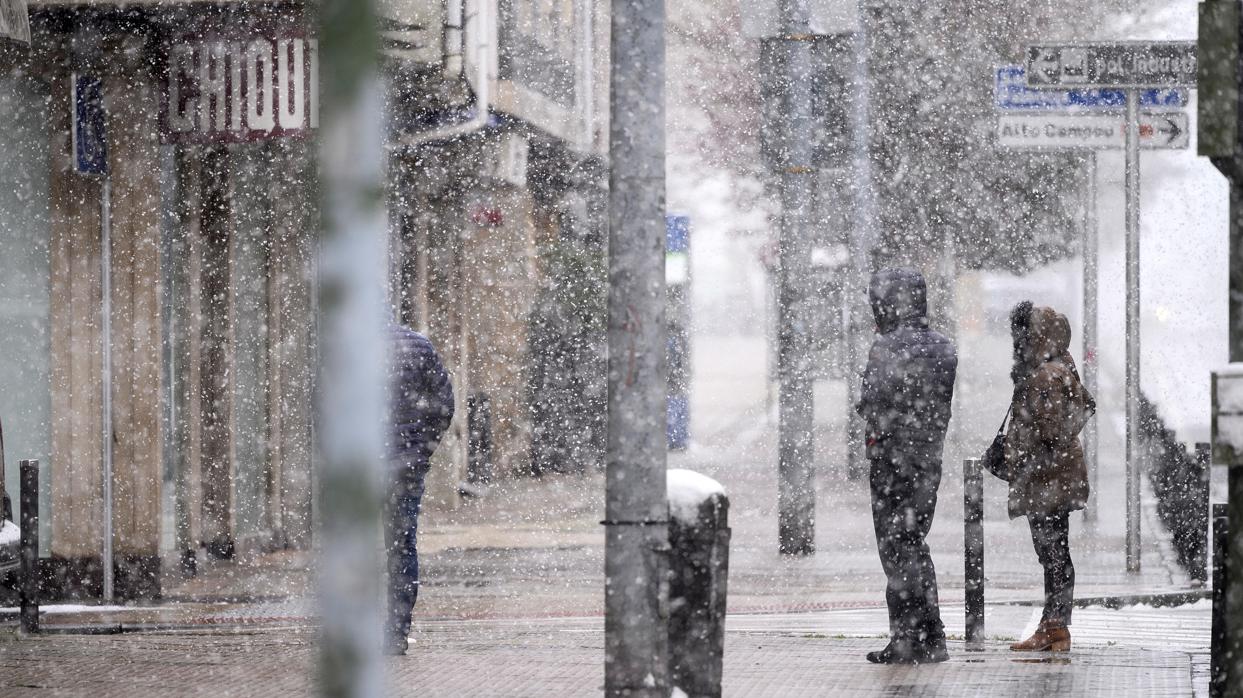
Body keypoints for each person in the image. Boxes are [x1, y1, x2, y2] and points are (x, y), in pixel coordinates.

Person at [856, 268, 958, 664]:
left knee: (894, 549)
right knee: (915, 542)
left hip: (890, 459)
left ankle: (905, 637)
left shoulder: (885, 347)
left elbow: (871, 400)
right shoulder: (944, 347)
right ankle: (933, 636)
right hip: (928, 460)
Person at [1004, 302, 1094, 653]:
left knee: (1052, 552)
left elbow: (1051, 430)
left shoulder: (1044, 375)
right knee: (1055, 551)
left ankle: (1055, 627)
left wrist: (1023, 449)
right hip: (1055, 476)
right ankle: (1053, 625)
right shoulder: (1061, 365)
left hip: (1047, 478)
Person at [385, 323, 455, 656]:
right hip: (406, 468)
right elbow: (444, 404)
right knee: (401, 547)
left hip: (360, 468)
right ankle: (396, 632)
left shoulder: (345, 348)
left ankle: (349, 633)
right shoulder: (418, 346)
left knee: (350, 546)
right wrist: (420, 451)